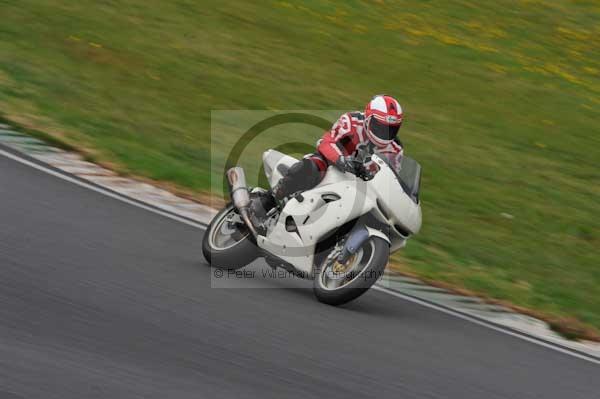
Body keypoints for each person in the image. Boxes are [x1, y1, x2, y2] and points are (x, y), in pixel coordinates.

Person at [273, 94, 404, 201]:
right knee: (313, 165)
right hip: (334, 167)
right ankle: (272, 197)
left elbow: (392, 183)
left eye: (391, 129)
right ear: (368, 118)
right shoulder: (351, 122)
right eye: (380, 127)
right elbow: (326, 143)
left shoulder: (395, 149)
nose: (384, 133)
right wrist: (341, 160)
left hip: (365, 188)